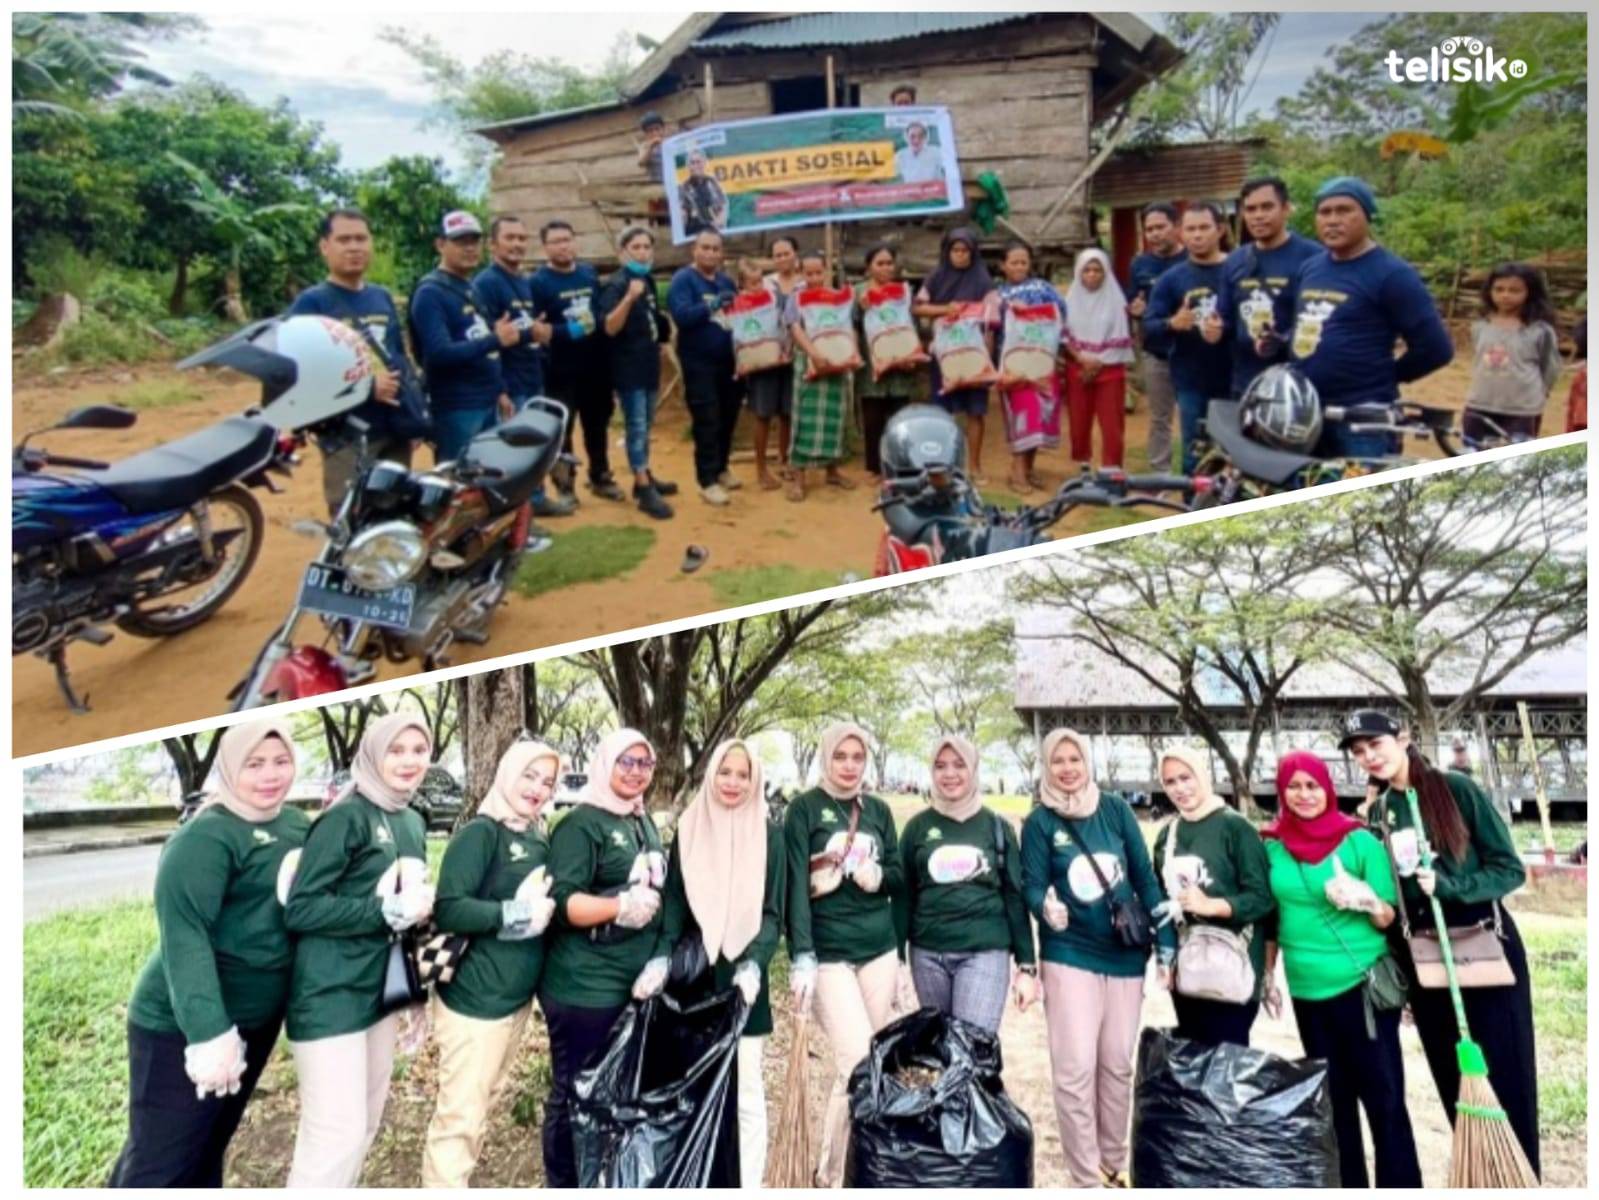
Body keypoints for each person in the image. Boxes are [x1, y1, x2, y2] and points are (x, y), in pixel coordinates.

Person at [108, 720, 309, 1187]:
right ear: (229, 767)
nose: (270, 775)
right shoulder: (206, 838)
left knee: (206, 1146)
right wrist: (209, 1033)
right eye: (254, 764)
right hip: (181, 1027)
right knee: (161, 1161)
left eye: (281, 762)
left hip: (255, 1020)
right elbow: (185, 936)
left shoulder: (296, 826)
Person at [1341, 709, 1539, 1177]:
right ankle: (1479, 1178)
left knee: (1506, 1085)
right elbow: (1395, 899)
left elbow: (1510, 869)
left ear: (1403, 738)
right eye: (1359, 752)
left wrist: (1451, 886)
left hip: (1484, 950)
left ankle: (1521, 1178)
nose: (1369, 757)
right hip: (1428, 963)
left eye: (1376, 744)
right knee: (1457, 1087)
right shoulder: (1379, 816)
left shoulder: (1456, 790)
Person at [283, 714, 435, 1188]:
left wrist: (412, 990)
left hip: (378, 994)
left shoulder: (410, 819)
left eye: (419, 749)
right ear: (372, 755)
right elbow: (303, 908)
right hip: (331, 995)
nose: (409, 761)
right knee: (335, 1136)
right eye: (397, 750)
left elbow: (406, 913)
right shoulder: (346, 817)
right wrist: (382, 909)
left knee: (365, 1125)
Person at [1260, 749, 1423, 1188]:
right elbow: (1270, 917)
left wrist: (1366, 900)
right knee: (1334, 1108)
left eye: (1312, 785)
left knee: (1385, 1102)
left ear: (1328, 788)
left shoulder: (1359, 841)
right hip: (1309, 994)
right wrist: (1268, 973)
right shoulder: (1272, 846)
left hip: (1362, 987)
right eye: (1293, 786)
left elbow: (1389, 915)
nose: (1304, 795)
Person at [1021, 727, 1175, 1189]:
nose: (1068, 769)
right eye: (1058, 761)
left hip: (1124, 954)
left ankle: (1113, 1165)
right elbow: (1030, 883)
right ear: (1046, 767)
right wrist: (1043, 907)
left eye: (1075, 759)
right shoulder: (1040, 822)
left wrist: (1165, 938)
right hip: (1069, 952)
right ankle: (1086, 1178)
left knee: (1116, 1063)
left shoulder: (1116, 810)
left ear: (1088, 761)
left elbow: (1145, 879)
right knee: (1074, 1068)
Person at [639, 739, 785, 1189]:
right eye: (726, 772)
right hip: (697, 984)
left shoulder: (769, 834)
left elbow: (772, 912)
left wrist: (755, 963)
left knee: (747, 1094)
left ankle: (749, 1184)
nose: (734, 783)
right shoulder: (690, 827)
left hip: (743, 984)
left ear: (754, 779)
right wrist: (662, 957)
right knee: (696, 1089)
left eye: (743, 775)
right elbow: (676, 902)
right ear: (711, 774)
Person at [419, 740, 560, 1188]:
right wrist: (510, 913)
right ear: (506, 774)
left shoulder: (538, 836)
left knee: (480, 1105)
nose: (537, 788)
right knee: (459, 1118)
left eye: (547, 781)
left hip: (514, 1004)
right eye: (529, 776)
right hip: (474, 1005)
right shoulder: (482, 833)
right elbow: (449, 908)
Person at [539, 730, 667, 1187]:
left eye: (644, 764)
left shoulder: (640, 821)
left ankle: (598, 1176)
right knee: (574, 1090)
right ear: (604, 764)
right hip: (583, 986)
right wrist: (618, 907)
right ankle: (564, 1182)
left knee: (607, 1093)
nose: (635, 772)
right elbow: (564, 904)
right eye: (625, 762)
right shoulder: (581, 824)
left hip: (629, 983)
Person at [784, 722, 906, 1188]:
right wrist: (801, 955)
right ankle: (831, 1177)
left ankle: (857, 1164)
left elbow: (898, 874)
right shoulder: (804, 809)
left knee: (871, 1064)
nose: (850, 765)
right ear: (826, 758)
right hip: (829, 954)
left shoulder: (876, 810)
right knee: (855, 1061)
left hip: (878, 949)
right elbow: (795, 885)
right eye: (842, 756)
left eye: (858, 757)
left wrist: (879, 874)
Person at [1262, 176, 1454, 459]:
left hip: (1363, 422)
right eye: (1324, 212)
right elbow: (1304, 323)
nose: (1333, 220)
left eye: (1344, 210)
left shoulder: (1393, 274)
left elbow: (1436, 349)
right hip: (1306, 414)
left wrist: (1386, 376)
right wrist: (1281, 341)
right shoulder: (1310, 269)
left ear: (1367, 215)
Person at [899, 734, 1038, 1034]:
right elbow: (904, 897)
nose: (949, 774)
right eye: (940, 766)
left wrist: (1026, 965)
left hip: (984, 951)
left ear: (973, 769)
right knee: (939, 1053)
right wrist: (897, 958)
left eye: (959, 765)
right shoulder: (917, 828)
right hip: (927, 954)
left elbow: (1015, 896)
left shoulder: (997, 827)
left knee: (972, 1051)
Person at [288, 209, 424, 514]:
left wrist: (412, 414)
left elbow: (397, 355)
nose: (354, 247)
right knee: (350, 513)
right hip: (346, 434)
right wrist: (364, 385)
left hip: (394, 426)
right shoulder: (312, 303)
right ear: (325, 247)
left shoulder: (381, 296)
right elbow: (297, 371)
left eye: (361, 238)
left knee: (393, 508)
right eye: (344, 239)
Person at [1149, 745, 1273, 1047]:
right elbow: (1160, 901)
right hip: (1189, 966)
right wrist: (1164, 956)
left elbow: (1262, 899)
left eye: (1186, 777)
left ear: (1202, 776)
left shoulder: (1236, 827)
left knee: (1226, 1064)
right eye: (1170, 782)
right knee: (1194, 1063)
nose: (1180, 788)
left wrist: (1214, 905)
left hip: (1234, 965)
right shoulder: (1169, 835)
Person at [472, 216, 571, 520]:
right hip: (509, 380)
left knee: (533, 446)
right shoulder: (487, 284)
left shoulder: (523, 281)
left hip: (531, 373)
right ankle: (512, 514)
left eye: (521, 238)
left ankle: (536, 500)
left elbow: (529, 327)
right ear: (493, 244)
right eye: (510, 238)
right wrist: (499, 387)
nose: (517, 244)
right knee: (511, 451)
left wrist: (537, 333)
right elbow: (487, 337)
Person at [408, 211, 517, 466]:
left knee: (486, 479)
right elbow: (438, 354)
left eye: (474, 241)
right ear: (440, 244)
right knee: (458, 482)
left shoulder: (469, 286)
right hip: (457, 406)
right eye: (460, 242)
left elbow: (483, 339)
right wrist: (495, 340)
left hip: (486, 399)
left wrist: (499, 389)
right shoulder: (430, 293)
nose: (469, 248)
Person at [530, 220, 619, 502]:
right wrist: (565, 332)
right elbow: (538, 330)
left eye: (567, 239)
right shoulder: (537, 283)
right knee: (562, 430)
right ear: (545, 247)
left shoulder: (588, 274)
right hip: (559, 370)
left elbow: (599, 315)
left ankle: (600, 476)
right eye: (556, 241)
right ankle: (566, 487)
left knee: (597, 424)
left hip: (595, 367)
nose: (563, 245)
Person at [1143, 200, 1233, 474]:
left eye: (1204, 228)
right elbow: (1150, 324)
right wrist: (1173, 323)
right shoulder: (1171, 279)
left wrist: (1226, 328)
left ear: (1219, 230)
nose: (1197, 235)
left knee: (1234, 453)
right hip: (1190, 379)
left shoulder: (1239, 270)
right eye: (1191, 229)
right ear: (1182, 233)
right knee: (1195, 453)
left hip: (1236, 379)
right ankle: (1193, 505)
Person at [1212, 177, 1321, 399]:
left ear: (1286, 209)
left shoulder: (1314, 258)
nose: (1258, 215)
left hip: (1300, 383)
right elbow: (1225, 319)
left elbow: (1323, 320)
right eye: (1251, 209)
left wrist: (1282, 339)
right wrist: (1214, 329)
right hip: (1247, 383)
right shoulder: (1235, 261)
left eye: (1267, 207)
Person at [597, 226, 677, 519]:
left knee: (648, 423)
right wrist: (629, 298)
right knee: (637, 425)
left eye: (647, 247)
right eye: (637, 247)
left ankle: (645, 473)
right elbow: (609, 327)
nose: (643, 252)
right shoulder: (616, 285)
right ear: (622, 252)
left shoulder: (648, 281)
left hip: (648, 364)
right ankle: (643, 489)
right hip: (627, 367)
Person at [667, 230, 744, 505]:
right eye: (705, 248)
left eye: (715, 249)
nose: (711, 253)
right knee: (707, 419)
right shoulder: (683, 280)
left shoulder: (725, 281)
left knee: (728, 416)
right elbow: (682, 316)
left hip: (730, 361)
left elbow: (739, 315)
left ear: (721, 253)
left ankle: (722, 468)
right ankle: (707, 480)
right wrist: (711, 304)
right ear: (694, 251)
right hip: (699, 363)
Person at [914, 228, 995, 483]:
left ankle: (975, 466)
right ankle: (944, 465)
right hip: (945, 355)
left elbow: (992, 318)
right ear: (947, 252)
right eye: (955, 251)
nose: (960, 256)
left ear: (973, 253)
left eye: (965, 251)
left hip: (975, 356)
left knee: (975, 411)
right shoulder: (936, 277)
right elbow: (918, 307)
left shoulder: (983, 280)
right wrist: (944, 309)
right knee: (944, 413)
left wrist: (988, 358)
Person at [986, 240, 1067, 491]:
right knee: (1023, 414)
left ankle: (1029, 469)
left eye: (1024, 262)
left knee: (1040, 417)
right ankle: (1016, 472)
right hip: (1013, 367)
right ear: (1003, 266)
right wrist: (990, 367)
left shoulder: (1045, 289)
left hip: (1043, 364)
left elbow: (1061, 317)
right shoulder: (995, 296)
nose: (1019, 267)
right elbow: (988, 330)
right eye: (1014, 262)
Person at [1462, 262, 1562, 444]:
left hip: (1521, 409)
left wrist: (1540, 395)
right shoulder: (1480, 326)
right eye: (1499, 289)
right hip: (1479, 404)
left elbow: (1550, 367)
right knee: (1471, 450)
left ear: (1530, 292)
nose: (1505, 295)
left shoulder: (1539, 330)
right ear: (1489, 291)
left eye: (1514, 291)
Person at [785, 250, 857, 499]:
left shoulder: (838, 298)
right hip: (809, 362)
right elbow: (795, 328)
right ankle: (798, 478)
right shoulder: (796, 298)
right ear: (800, 273)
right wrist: (814, 354)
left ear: (827, 271)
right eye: (808, 273)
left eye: (819, 272)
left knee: (835, 420)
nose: (814, 278)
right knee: (804, 420)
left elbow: (848, 328)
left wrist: (851, 354)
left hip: (837, 362)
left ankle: (833, 471)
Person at [853, 242, 922, 484]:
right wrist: (862, 311)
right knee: (872, 418)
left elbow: (911, 324)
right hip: (873, 363)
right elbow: (852, 326)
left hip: (902, 363)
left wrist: (913, 355)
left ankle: (899, 466)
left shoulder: (903, 291)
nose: (885, 268)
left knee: (899, 416)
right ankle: (874, 468)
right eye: (879, 263)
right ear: (868, 267)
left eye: (889, 263)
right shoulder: (858, 292)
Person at [1124, 203, 1186, 469]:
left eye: (1161, 227)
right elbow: (1133, 300)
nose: (1155, 234)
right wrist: (1134, 309)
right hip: (1155, 351)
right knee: (1160, 417)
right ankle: (1160, 474)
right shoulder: (1140, 264)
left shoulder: (1192, 260)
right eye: (1150, 229)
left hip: (1193, 353)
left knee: (1196, 415)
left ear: (1177, 227)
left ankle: (1198, 474)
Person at [1062, 247, 1135, 471]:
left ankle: (1111, 470)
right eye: (1087, 270)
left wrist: (1096, 363)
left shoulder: (1115, 301)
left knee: (1112, 423)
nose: (1092, 275)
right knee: (1079, 421)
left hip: (1110, 370)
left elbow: (1121, 335)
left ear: (1106, 273)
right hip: (1078, 369)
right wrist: (1082, 359)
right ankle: (1083, 465)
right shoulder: (1069, 302)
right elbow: (1063, 335)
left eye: (1097, 270)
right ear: (1078, 273)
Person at [752, 235, 803, 488]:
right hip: (766, 358)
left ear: (796, 254)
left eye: (786, 253)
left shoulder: (806, 284)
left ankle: (785, 462)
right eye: (777, 255)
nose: (782, 259)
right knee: (763, 413)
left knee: (788, 413)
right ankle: (761, 469)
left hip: (796, 357)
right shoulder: (764, 284)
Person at [681, 150, 728, 236]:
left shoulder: (712, 182)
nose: (696, 165)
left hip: (712, 229)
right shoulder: (684, 187)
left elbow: (722, 207)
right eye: (692, 163)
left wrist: (719, 222)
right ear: (688, 166)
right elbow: (683, 213)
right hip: (693, 231)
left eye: (698, 162)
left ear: (704, 163)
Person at [636, 110, 667, 183]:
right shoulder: (645, 146)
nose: (655, 133)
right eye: (650, 130)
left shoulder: (668, 142)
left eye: (657, 129)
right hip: (658, 183)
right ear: (645, 134)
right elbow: (641, 163)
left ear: (663, 129)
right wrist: (651, 147)